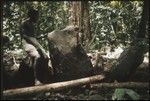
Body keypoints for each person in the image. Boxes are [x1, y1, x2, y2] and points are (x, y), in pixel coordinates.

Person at [20, 8, 49, 85]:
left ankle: (45, 78)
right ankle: (37, 80)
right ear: (31, 15)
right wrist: (38, 45)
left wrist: (42, 37)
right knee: (38, 56)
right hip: (27, 44)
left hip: (33, 43)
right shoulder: (24, 23)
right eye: (36, 16)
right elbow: (26, 37)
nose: (38, 18)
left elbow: (33, 37)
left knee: (46, 57)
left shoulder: (32, 24)